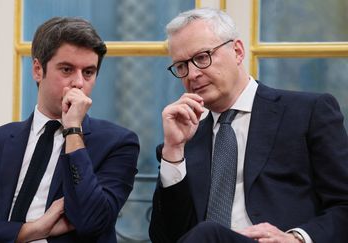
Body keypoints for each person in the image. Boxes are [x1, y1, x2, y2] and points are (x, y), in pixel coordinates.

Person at [149, 7, 348, 243]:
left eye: (202, 57)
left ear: (238, 51)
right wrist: (173, 151)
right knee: (207, 232)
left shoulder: (306, 112)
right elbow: (167, 238)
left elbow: (344, 205)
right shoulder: (185, 142)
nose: (192, 74)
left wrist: (297, 238)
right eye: (181, 66)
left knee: (207, 231)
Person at [0, 17, 139, 243]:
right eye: (66, 69)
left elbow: (91, 222)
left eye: (89, 72)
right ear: (37, 70)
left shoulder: (118, 143)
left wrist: (73, 130)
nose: (79, 83)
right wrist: (31, 231)